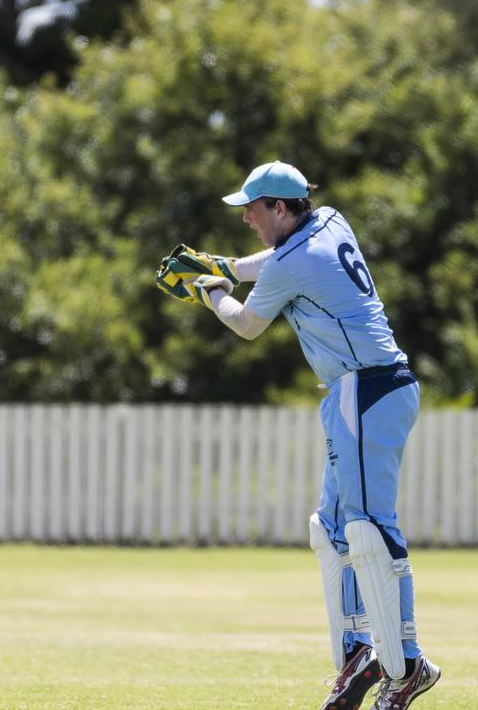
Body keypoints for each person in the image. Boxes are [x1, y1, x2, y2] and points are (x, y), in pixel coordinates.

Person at [155, 161, 440, 710]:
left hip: (370, 388)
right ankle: (362, 650)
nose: (246, 218)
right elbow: (271, 261)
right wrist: (230, 267)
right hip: (362, 389)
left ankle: (406, 666)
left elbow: (246, 324)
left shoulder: (293, 261)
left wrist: (210, 288)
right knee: (330, 528)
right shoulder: (330, 220)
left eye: (253, 208)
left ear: (280, 208)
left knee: (368, 531)